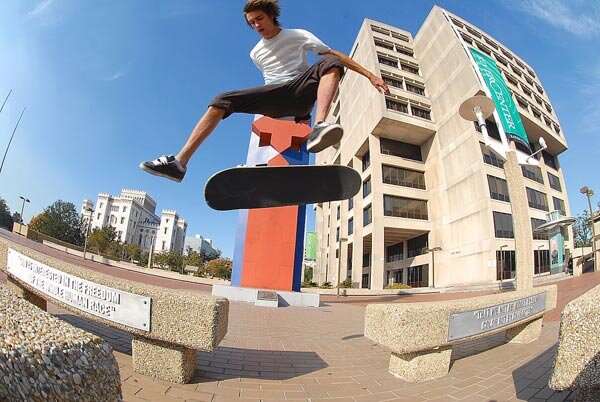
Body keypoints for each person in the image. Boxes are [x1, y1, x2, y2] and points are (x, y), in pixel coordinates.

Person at [140, 0, 389, 182]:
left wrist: (370, 75)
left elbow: (335, 54)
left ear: (271, 16)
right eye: (251, 23)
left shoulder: (298, 35)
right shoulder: (255, 53)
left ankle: (320, 126)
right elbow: (269, 83)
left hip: (300, 89)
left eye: (259, 19)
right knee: (221, 100)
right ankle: (179, 163)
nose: (256, 25)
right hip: (276, 96)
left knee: (330, 62)